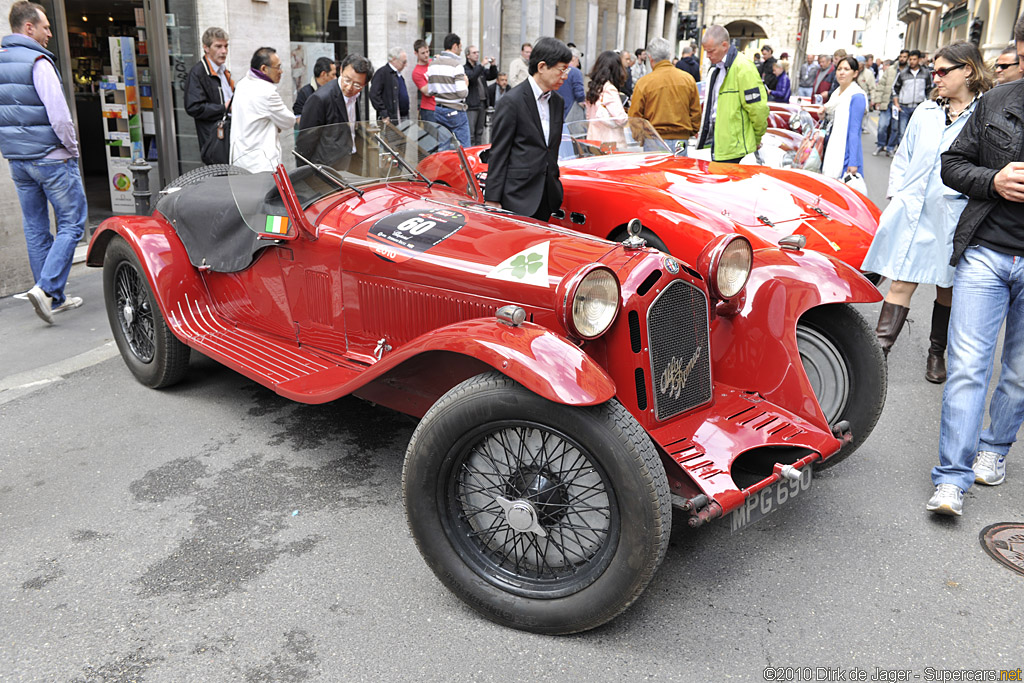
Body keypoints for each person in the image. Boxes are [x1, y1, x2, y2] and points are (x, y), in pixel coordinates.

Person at [927, 25, 1024, 517]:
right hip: (986, 251)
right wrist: (994, 179)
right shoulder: (998, 100)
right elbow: (953, 164)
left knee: (1019, 373)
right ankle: (950, 478)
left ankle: (995, 447)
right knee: (967, 367)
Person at [863, 41, 992, 390]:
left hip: (953, 214)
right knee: (902, 280)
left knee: (946, 287)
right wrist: (897, 195)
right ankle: (879, 352)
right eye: (934, 71)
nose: (935, 78)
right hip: (913, 208)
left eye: (942, 71)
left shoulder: (984, 115)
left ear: (968, 70)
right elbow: (903, 156)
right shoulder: (925, 111)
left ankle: (937, 352)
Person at [1, 1, 85, 324]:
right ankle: (47, 288)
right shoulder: (39, 62)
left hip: (18, 162)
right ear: (28, 28)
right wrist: (72, 148)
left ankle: (53, 297)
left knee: (36, 227)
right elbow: (60, 117)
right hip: (51, 159)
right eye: (46, 27)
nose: (51, 33)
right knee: (73, 223)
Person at [484, 36, 571, 220]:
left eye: (567, 70)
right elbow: (499, 152)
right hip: (517, 197)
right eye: (561, 70)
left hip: (547, 196)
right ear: (541, 67)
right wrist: (492, 199)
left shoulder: (557, 102)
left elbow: (550, 149)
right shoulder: (512, 101)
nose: (565, 76)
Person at [695, 25, 769, 163]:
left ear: (724, 45)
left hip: (736, 150)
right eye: (706, 51)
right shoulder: (716, 68)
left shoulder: (744, 67)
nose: (707, 55)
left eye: (711, 51)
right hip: (722, 146)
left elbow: (758, 109)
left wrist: (757, 138)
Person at [297, 53, 372, 167]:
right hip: (328, 167)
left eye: (357, 85)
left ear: (365, 84)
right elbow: (305, 143)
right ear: (341, 70)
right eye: (347, 80)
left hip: (352, 160)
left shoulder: (357, 95)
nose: (349, 87)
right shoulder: (320, 98)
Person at [627, 36, 700, 154]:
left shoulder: (644, 83)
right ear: (669, 55)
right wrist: (690, 131)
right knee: (677, 171)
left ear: (650, 58)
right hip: (680, 139)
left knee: (655, 171)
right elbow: (695, 111)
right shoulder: (687, 79)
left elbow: (635, 116)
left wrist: (640, 136)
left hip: (653, 138)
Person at [229, 47, 295, 172]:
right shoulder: (267, 93)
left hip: (240, 160)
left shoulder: (242, 84)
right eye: (278, 67)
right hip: (261, 165)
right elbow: (289, 121)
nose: (281, 71)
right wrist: (276, 123)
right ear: (264, 69)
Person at [185, 27, 233, 165]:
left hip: (229, 137)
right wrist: (223, 108)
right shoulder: (198, 73)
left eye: (226, 46)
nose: (224, 51)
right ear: (206, 48)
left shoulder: (224, 71)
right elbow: (194, 107)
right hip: (215, 141)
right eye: (218, 46)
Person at [821, 56, 867, 181]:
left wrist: (853, 162)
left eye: (846, 69)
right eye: (839, 69)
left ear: (855, 73)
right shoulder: (836, 93)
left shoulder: (857, 96)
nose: (841, 72)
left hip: (845, 151)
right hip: (832, 145)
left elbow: (854, 131)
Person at [427, 33, 471, 147]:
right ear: (455, 46)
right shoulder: (456, 66)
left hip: (439, 110)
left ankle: (445, 165)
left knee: (443, 147)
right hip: (456, 110)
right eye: (460, 47)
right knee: (464, 148)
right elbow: (462, 93)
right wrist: (466, 83)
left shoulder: (433, 65)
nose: (461, 50)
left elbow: (430, 91)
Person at [584, 50, 629, 148]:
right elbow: (621, 119)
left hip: (593, 140)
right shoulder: (609, 89)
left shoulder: (594, 88)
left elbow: (588, 117)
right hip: (610, 143)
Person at [893, 49, 932, 149]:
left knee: (916, 132)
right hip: (904, 107)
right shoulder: (903, 73)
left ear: (919, 60)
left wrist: (929, 105)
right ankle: (901, 153)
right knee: (902, 131)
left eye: (914, 59)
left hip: (918, 107)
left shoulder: (926, 73)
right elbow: (895, 89)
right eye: (910, 59)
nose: (912, 62)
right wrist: (897, 104)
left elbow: (929, 90)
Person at [463, 45, 497, 145]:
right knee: (471, 134)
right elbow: (472, 77)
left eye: (478, 52)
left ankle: (478, 154)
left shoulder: (479, 68)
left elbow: (492, 76)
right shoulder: (465, 69)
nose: (477, 54)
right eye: (474, 53)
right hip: (472, 105)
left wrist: (493, 66)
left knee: (480, 132)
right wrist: (481, 65)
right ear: (467, 55)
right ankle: (470, 155)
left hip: (482, 104)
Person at [369, 47, 409, 124]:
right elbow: (374, 94)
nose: (406, 65)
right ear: (394, 59)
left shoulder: (398, 74)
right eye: (404, 62)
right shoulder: (382, 73)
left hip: (403, 116)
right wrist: (383, 112)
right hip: (390, 118)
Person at [872, 55, 900, 156]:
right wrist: (878, 100)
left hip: (898, 104)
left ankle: (890, 148)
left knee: (895, 127)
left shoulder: (906, 71)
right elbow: (881, 85)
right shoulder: (890, 70)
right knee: (882, 125)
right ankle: (880, 145)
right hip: (887, 101)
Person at [293, 57, 335, 121]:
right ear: (323, 74)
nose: (335, 78)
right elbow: (299, 117)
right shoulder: (304, 93)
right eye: (333, 74)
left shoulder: (336, 91)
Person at [556, 47, 585, 124]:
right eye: (577, 60)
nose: (578, 64)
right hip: (570, 111)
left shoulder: (557, 70)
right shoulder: (576, 72)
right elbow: (579, 94)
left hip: (556, 110)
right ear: (572, 58)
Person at [411, 39, 435, 124]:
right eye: (423, 53)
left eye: (427, 51)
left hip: (440, 106)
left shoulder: (433, 62)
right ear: (416, 53)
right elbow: (427, 92)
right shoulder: (416, 72)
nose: (426, 55)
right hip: (429, 109)